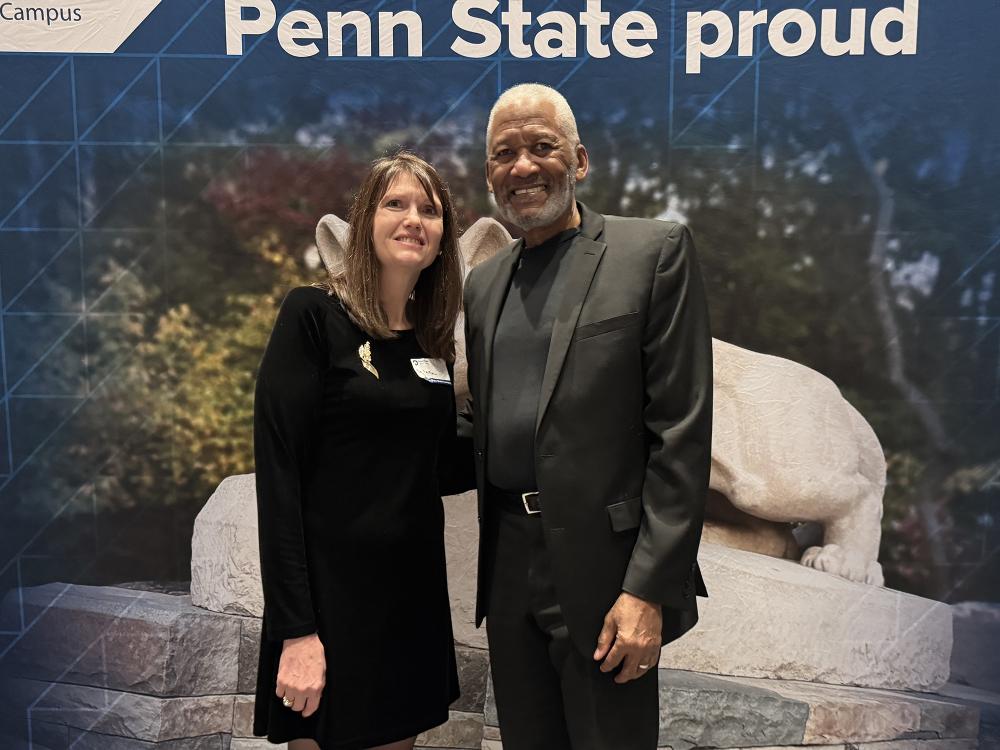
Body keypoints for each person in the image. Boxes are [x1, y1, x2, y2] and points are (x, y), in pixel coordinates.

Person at [461, 83, 713, 749]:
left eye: (541, 147)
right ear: (489, 173)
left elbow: (681, 434)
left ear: (579, 160)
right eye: (503, 154)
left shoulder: (653, 253)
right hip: (510, 571)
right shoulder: (483, 286)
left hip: (609, 579)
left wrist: (648, 593)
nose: (522, 166)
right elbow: (481, 427)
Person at [252, 151, 470, 750]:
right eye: (395, 203)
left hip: (410, 603)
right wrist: (297, 633)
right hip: (331, 609)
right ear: (365, 218)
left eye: (429, 210)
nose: (413, 219)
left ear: (442, 236)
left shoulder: (431, 346)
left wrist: (545, 438)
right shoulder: (313, 316)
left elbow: (441, 467)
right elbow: (279, 479)